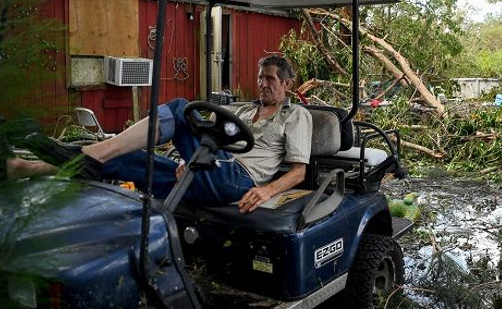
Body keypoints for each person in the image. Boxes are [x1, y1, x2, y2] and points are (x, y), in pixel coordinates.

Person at [23, 55, 312, 213]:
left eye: (270, 78)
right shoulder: (242, 111)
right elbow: (209, 140)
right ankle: (24, 168)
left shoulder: (296, 115)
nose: (262, 83)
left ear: (286, 83)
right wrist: (191, 159)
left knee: (178, 108)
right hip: (210, 170)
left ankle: (88, 155)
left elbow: (299, 172)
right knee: (129, 160)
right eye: (260, 77)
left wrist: (266, 190)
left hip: (238, 180)